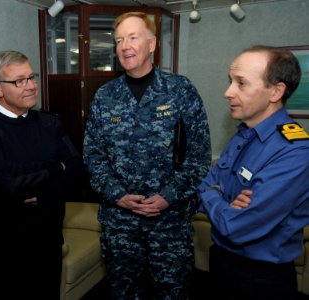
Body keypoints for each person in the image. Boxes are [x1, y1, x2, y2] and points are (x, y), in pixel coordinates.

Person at [83, 11, 211, 300]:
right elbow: (93, 157)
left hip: (169, 223)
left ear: (152, 44)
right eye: (118, 40)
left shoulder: (180, 90)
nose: (124, 46)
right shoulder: (105, 97)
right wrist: (117, 194)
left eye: (132, 37)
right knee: (124, 293)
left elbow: (199, 156)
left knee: (175, 293)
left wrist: (169, 195)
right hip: (121, 225)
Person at [0, 50, 83, 300]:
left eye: (32, 77)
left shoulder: (50, 122)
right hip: (4, 250)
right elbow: (7, 181)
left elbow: (74, 167)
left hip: (47, 243)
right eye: (19, 81)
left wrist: (41, 192)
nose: (30, 86)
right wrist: (54, 167)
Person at [197, 45, 309, 300]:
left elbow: (236, 225)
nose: (227, 92)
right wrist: (221, 198)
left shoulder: (296, 151)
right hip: (221, 262)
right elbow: (204, 184)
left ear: (276, 91)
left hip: (261, 279)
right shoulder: (244, 134)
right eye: (230, 81)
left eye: (241, 83)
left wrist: (214, 195)